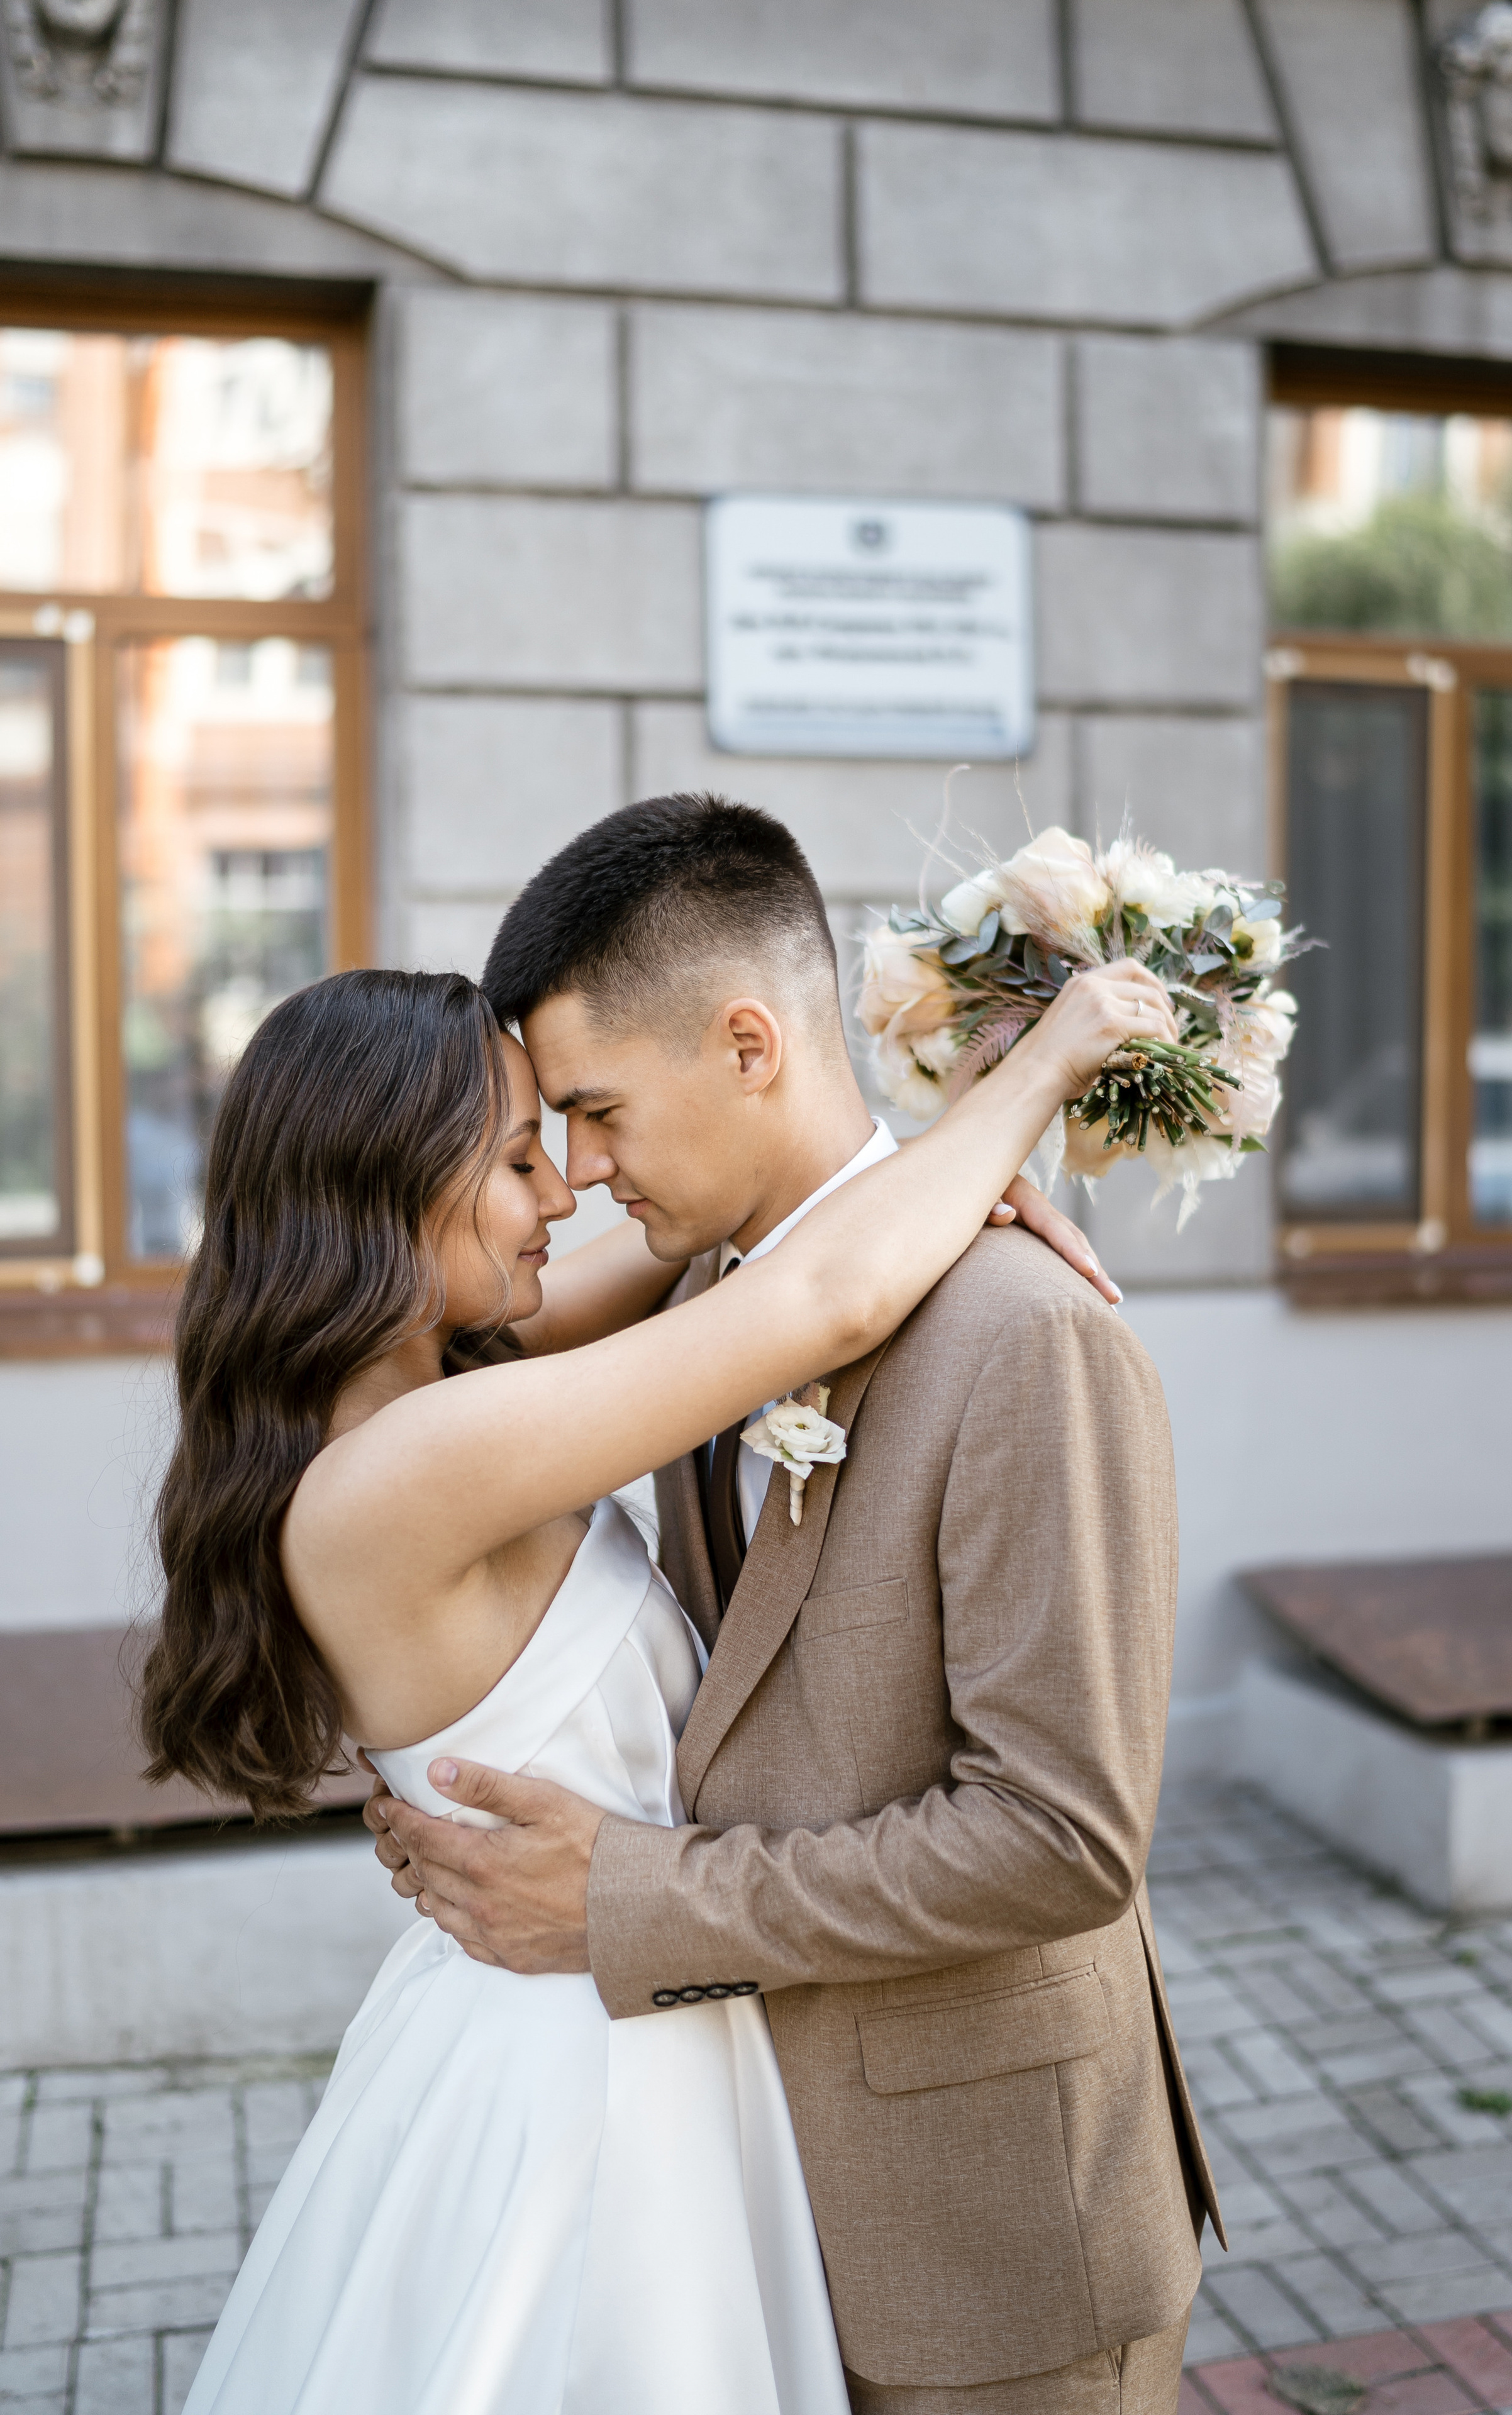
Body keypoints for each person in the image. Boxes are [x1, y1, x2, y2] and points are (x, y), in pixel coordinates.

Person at [139, 905, 1169, 2415]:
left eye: (574, 1127)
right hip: (580, 2078)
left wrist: (961, 1186)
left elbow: (777, 1249)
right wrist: (1026, 1083)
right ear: (379, 1190)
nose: (565, 1185)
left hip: (650, 2025)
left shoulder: (453, 1387)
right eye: (516, 1156)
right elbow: (817, 1300)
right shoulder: (404, 1470)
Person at [368, 794, 1225, 2415]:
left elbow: (1060, 1839)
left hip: (991, 2240)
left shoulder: (1023, 1336)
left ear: (747, 1042)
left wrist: (626, 1899)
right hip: (742, 2213)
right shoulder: (700, 1309)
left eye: (598, 1112)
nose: (583, 1173)